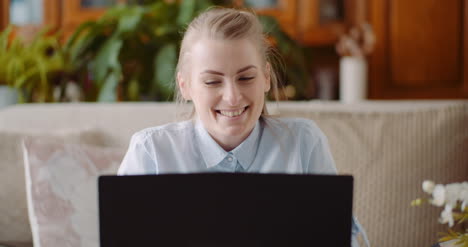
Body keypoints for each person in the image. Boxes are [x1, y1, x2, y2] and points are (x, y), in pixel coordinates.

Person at [118, 7, 369, 247]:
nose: (232, 97)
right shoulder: (150, 152)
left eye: (246, 77)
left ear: (266, 78)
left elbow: (338, 238)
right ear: (185, 86)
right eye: (213, 81)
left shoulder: (304, 143)